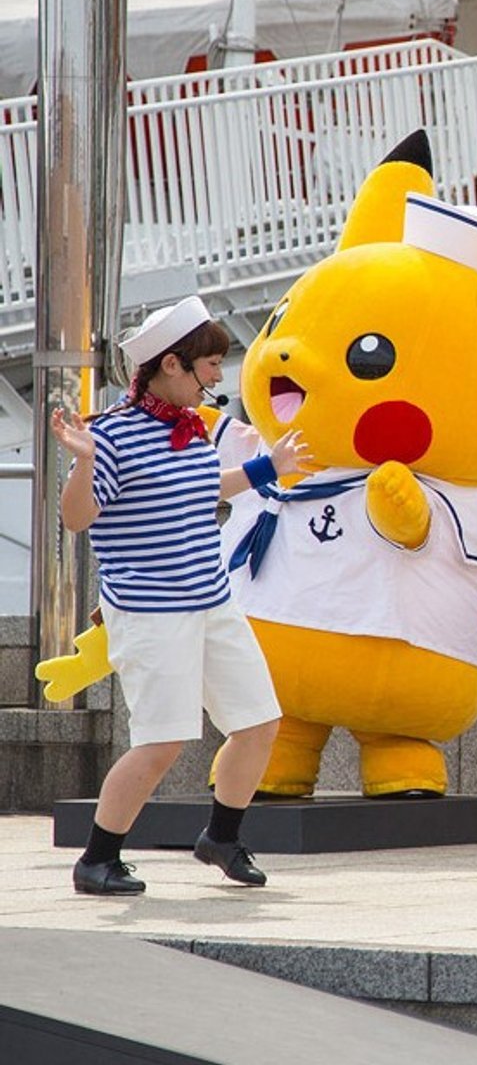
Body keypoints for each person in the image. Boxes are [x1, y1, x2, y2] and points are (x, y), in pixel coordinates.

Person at [51, 296, 310, 895]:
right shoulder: (111, 435)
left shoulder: (189, 429)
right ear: (173, 365)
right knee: (161, 742)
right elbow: (77, 518)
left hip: (210, 600)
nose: (220, 376)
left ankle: (221, 836)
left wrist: (271, 467)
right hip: (150, 610)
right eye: (211, 364)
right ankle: (97, 858)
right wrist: (85, 464)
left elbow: (201, 488)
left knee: (259, 722)